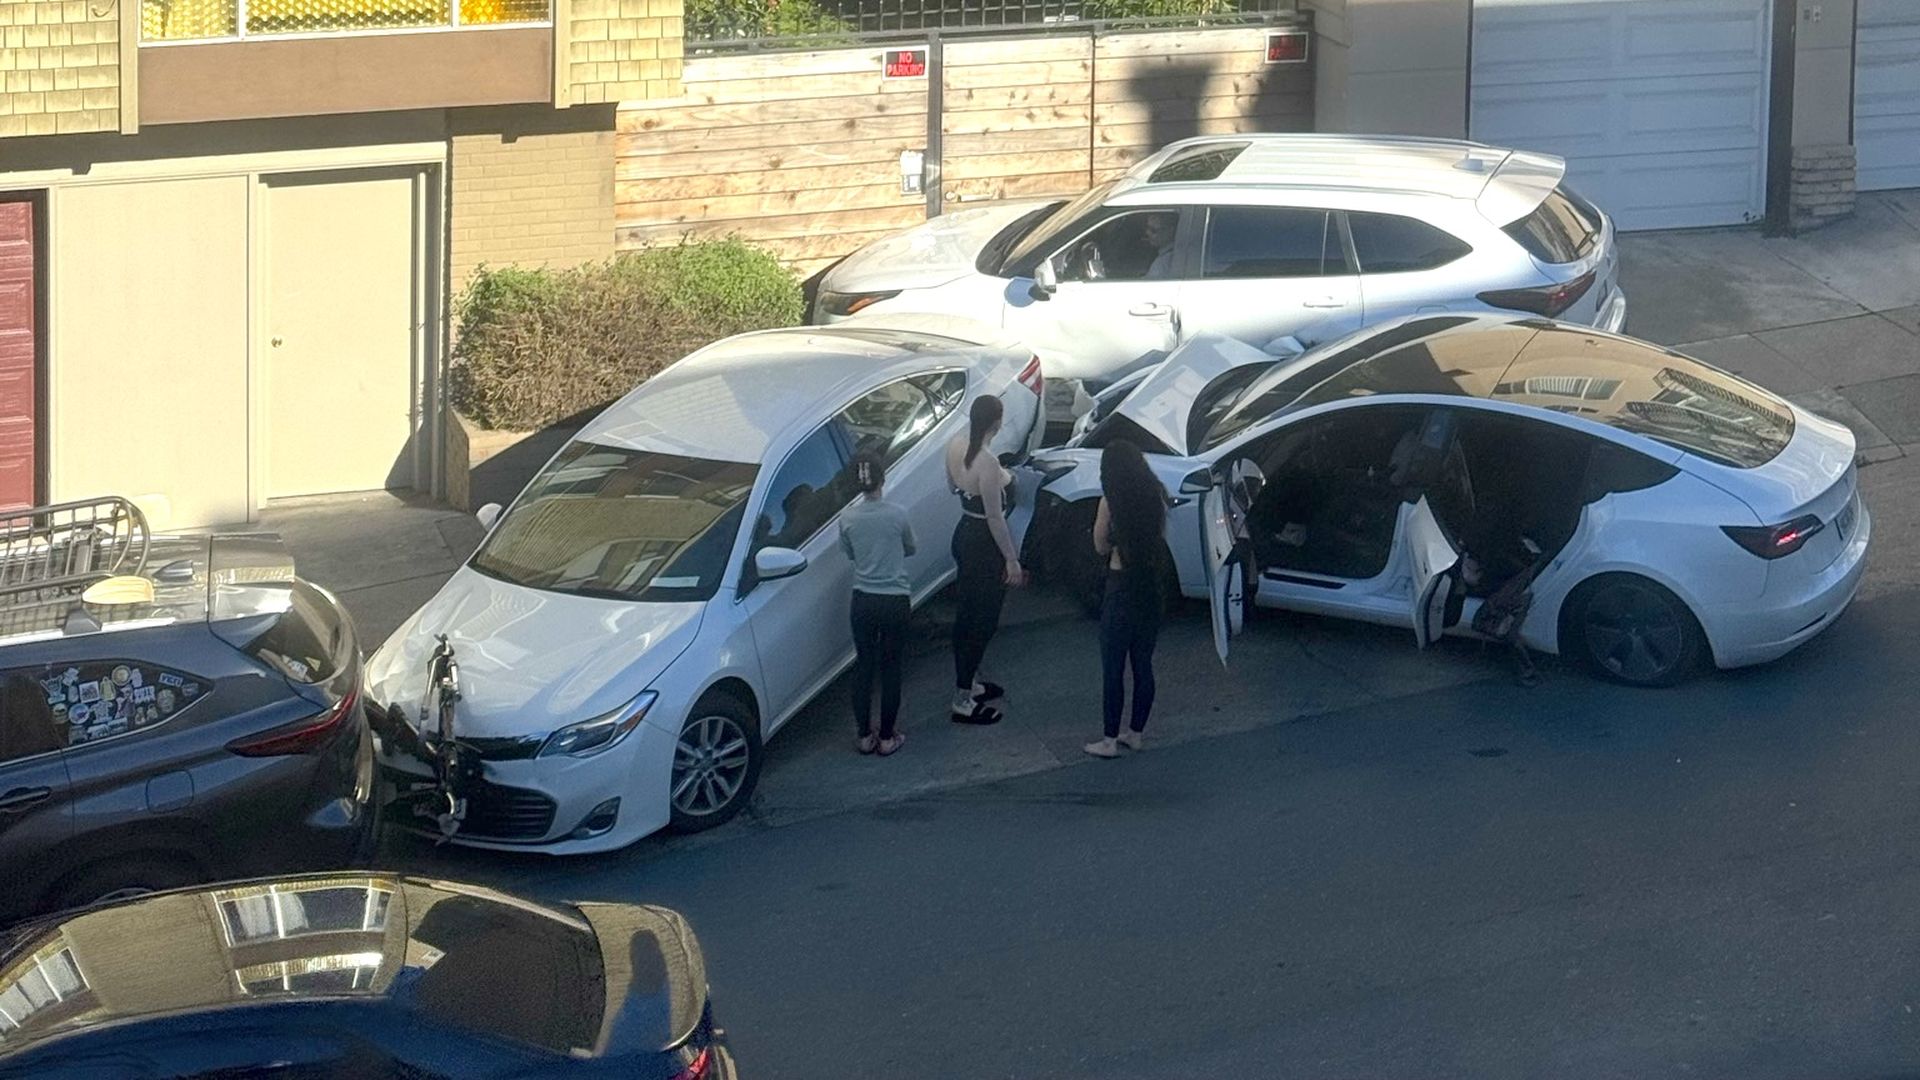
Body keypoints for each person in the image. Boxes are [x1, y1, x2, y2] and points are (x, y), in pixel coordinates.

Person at [1084, 439, 1168, 758]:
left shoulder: (1110, 501)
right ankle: (1135, 733)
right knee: (1143, 663)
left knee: (1113, 667)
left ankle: (1108, 739)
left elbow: (1100, 545)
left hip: (1120, 587)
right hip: (1150, 586)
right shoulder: (1155, 495)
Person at [946, 395, 1025, 725]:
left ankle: (970, 681)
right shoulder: (988, 463)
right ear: (997, 422)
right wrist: (1011, 560)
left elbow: (952, 486)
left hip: (963, 532)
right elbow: (995, 517)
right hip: (983, 543)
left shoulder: (954, 446)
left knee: (966, 611)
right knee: (983, 620)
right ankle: (963, 696)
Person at [839, 451, 915, 756]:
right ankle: (886, 736)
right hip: (894, 598)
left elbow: (849, 553)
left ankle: (863, 735)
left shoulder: (847, 518)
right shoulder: (898, 514)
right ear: (883, 479)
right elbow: (911, 547)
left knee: (864, 666)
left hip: (863, 599)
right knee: (892, 667)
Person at [1141, 213, 1178, 279]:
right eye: (1147, 227)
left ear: (1170, 231)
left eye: (1153, 230)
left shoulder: (1162, 263)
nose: (1147, 233)